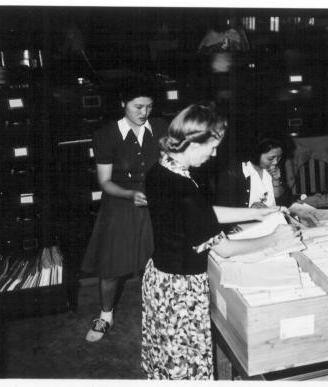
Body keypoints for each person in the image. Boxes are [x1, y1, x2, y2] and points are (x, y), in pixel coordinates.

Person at [142, 104, 301, 380]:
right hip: (180, 291)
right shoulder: (183, 188)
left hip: (160, 279)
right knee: (186, 367)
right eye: (212, 147)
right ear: (193, 143)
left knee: (167, 362)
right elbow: (224, 248)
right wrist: (273, 239)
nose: (214, 154)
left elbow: (201, 215)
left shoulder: (162, 169)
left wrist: (256, 211)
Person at [81, 80, 167, 342]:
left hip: (158, 204)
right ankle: (105, 315)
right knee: (111, 268)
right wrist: (131, 194)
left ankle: (161, 315)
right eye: (138, 106)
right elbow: (105, 182)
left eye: (149, 107)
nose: (144, 112)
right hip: (120, 203)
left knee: (161, 265)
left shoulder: (162, 128)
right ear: (122, 104)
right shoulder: (106, 134)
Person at [213, 137, 289, 209]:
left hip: (273, 218)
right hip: (246, 221)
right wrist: (249, 210)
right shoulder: (236, 173)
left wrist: (276, 180)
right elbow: (224, 207)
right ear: (256, 154)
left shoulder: (273, 168)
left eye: (279, 157)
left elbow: (279, 198)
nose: (275, 162)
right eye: (270, 158)